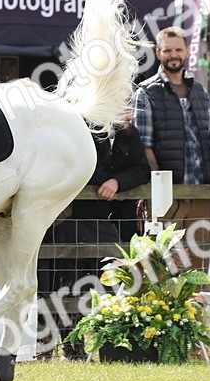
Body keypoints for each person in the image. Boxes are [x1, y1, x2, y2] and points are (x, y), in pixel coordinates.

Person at [38, 123, 151, 359]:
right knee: (68, 284)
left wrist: (118, 182)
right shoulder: (82, 126)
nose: (127, 113)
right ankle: (70, 347)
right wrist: (108, 179)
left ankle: (106, 342)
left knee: (109, 278)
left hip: (105, 219)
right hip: (70, 218)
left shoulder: (128, 135)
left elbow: (142, 169)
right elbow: (85, 168)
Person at [132, 25, 210, 266]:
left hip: (201, 192)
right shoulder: (146, 92)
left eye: (178, 49)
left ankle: (199, 305)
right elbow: (144, 146)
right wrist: (162, 189)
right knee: (165, 264)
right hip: (167, 195)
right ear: (158, 53)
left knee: (199, 263)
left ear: (187, 51)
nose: (173, 54)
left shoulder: (200, 91)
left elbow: (205, 140)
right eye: (167, 50)